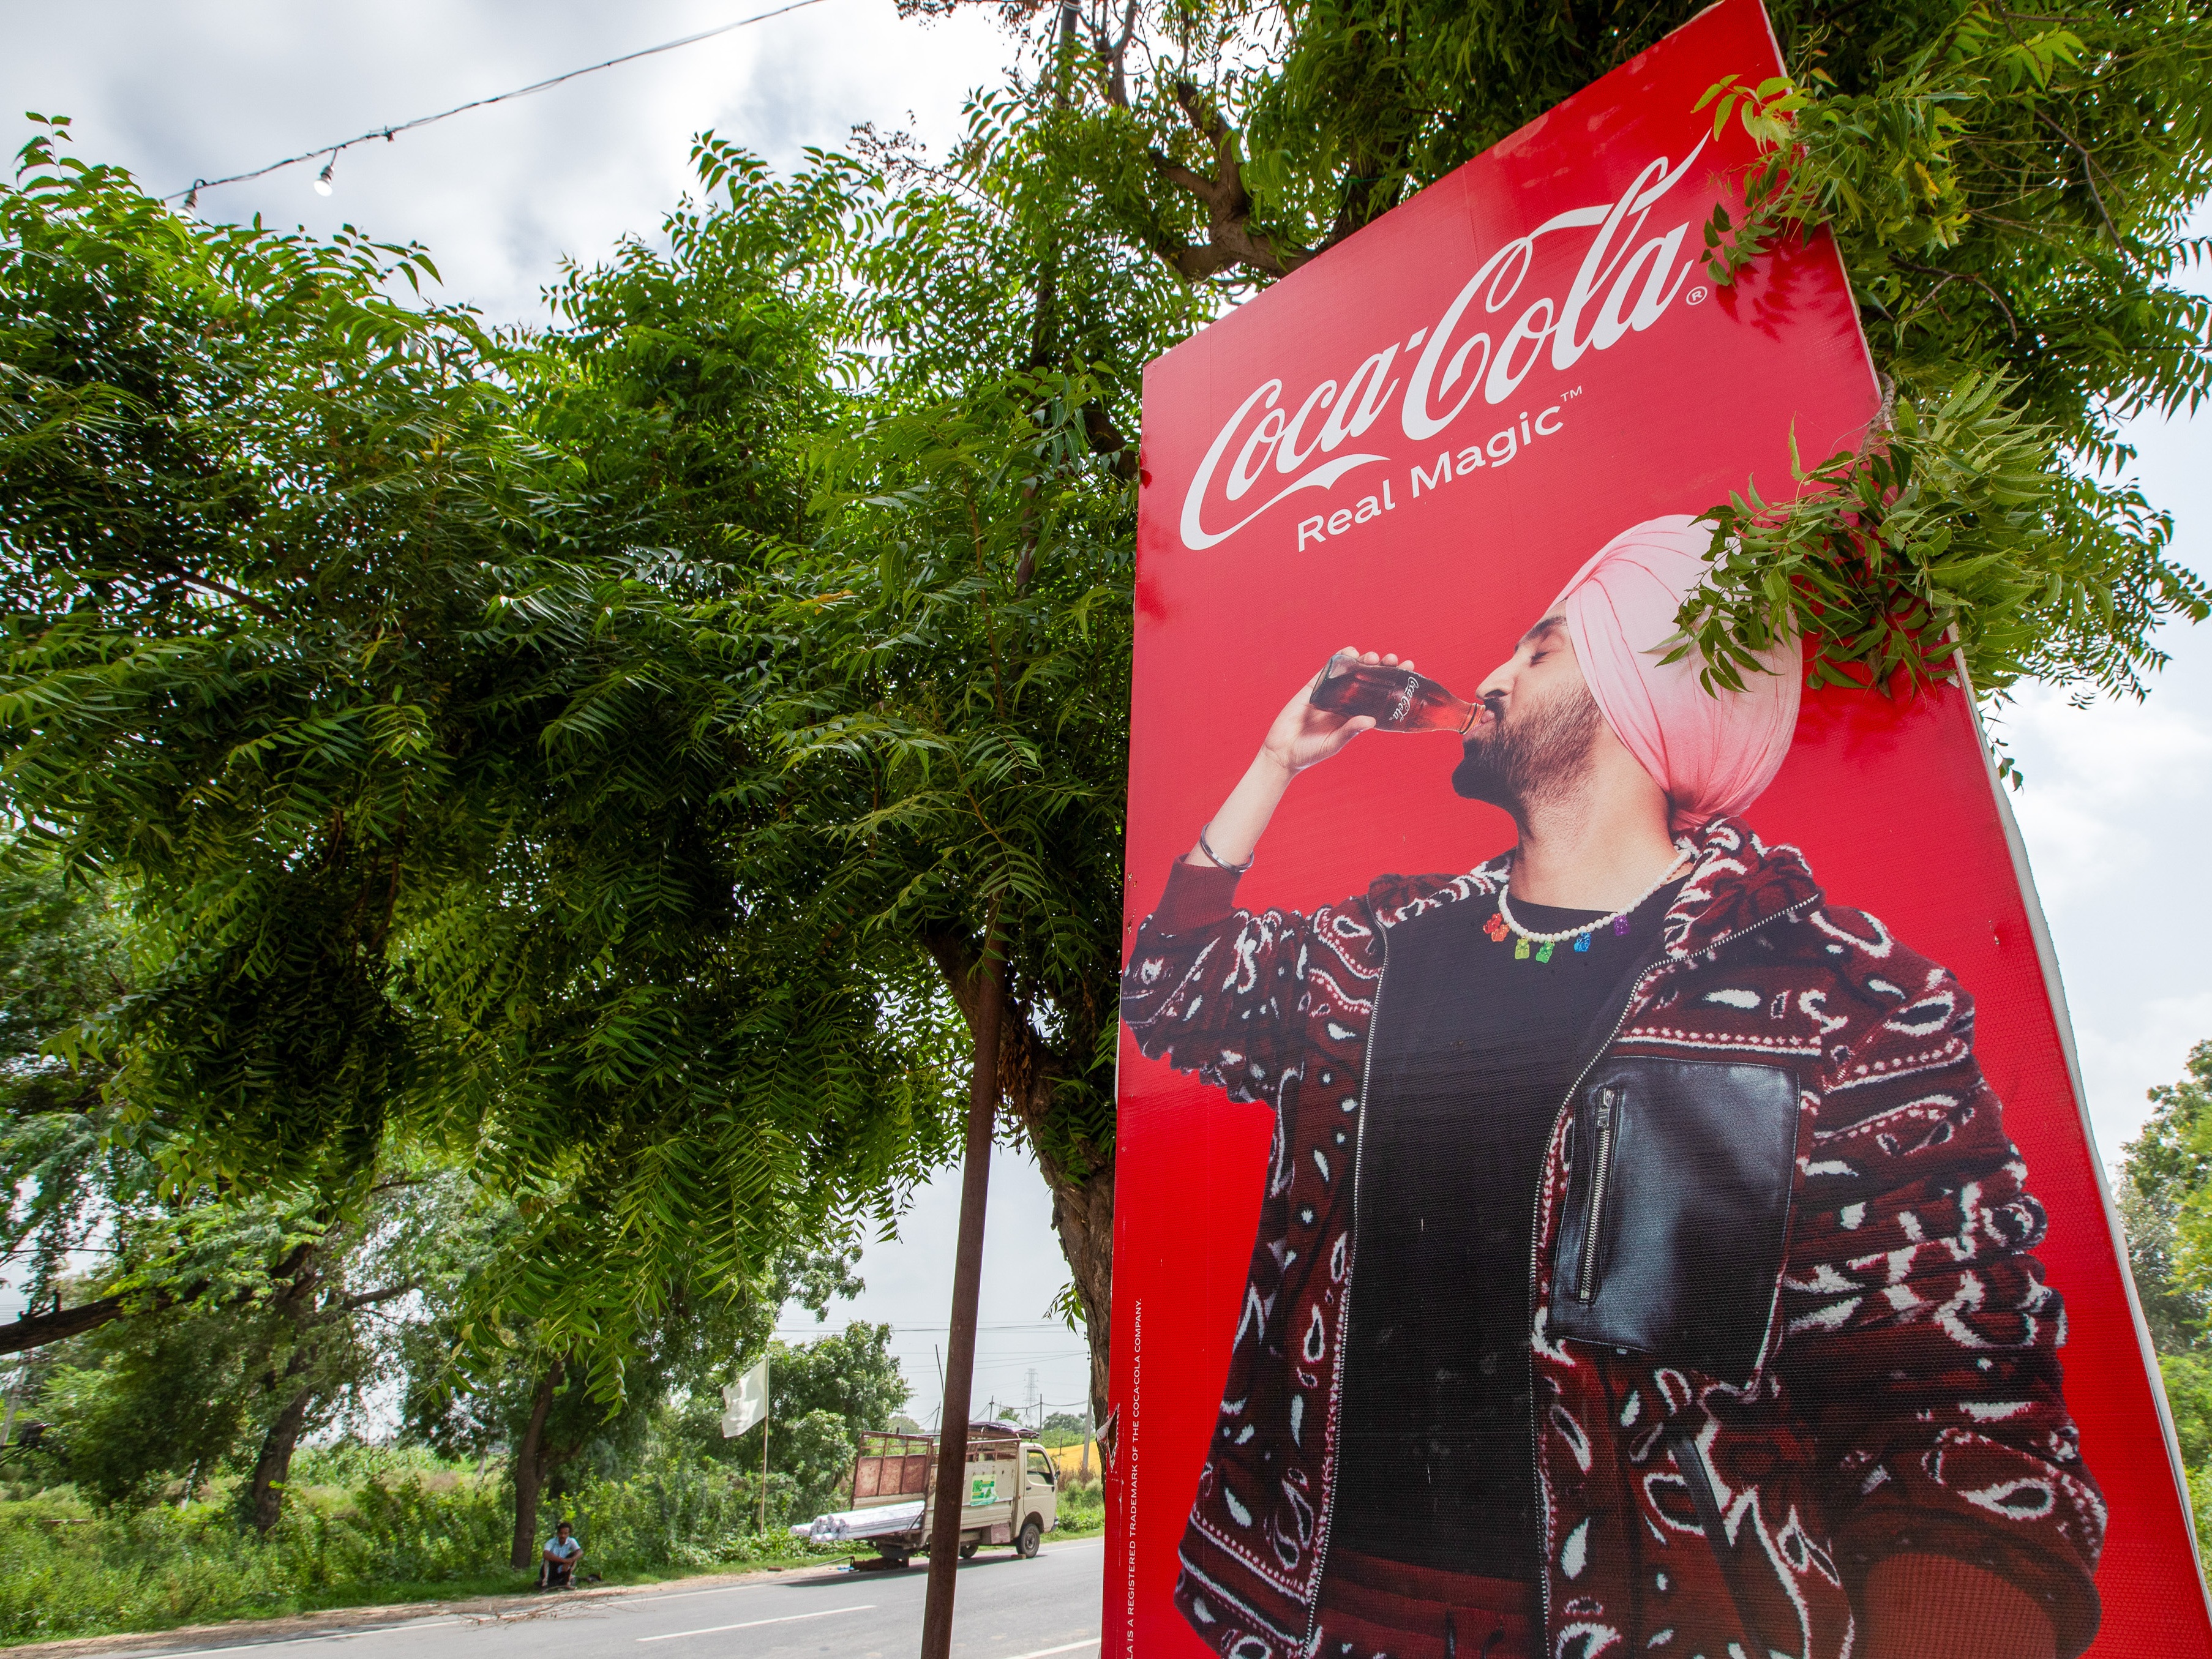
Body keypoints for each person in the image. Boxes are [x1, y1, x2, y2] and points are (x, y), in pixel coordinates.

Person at [1121, 516, 2105, 1659]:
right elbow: (1174, 991)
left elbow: (1957, 1422)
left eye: (1537, 651)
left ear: (1646, 695)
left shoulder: (1839, 999)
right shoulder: (1381, 943)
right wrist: (1276, 763)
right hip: (1299, 1615)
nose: (1487, 676)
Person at [539, 1519, 583, 1589]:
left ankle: (567, 1580)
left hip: (562, 1568)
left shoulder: (571, 1541)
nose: (563, 1536)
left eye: (565, 1533)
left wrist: (570, 1561)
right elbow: (546, 1554)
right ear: (558, 1534)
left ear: (569, 1534)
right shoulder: (551, 1542)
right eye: (561, 1533)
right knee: (548, 1559)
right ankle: (545, 1582)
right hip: (551, 1568)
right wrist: (565, 1561)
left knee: (574, 1555)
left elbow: (580, 1552)